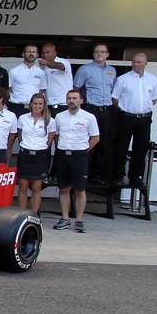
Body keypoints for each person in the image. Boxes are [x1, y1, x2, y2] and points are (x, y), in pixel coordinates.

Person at [50, 89, 99, 233]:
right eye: (69, 98)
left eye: (74, 98)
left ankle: (79, 219)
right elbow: (56, 135)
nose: (71, 100)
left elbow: (95, 138)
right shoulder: (59, 117)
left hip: (80, 156)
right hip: (63, 155)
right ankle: (65, 218)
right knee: (63, 188)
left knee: (80, 189)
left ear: (81, 100)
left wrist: (84, 151)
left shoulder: (89, 117)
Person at [110, 52, 157, 189]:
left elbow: (154, 99)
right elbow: (115, 99)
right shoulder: (123, 79)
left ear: (145, 63)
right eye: (134, 62)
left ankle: (135, 176)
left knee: (141, 147)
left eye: (139, 62)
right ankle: (118, 175)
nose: (136, 64)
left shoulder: (153, 79)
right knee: (121, 147)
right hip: (127, 117)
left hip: (144, 117)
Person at [73, 43, 117, 184]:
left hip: (107, 110)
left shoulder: (112, 71)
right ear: (93, 54)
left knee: (103, 143)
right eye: (97, 52)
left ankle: (97, 175)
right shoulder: (85, 69)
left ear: (107, 54)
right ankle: (83, 173)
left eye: (102, 52)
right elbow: (76, 88)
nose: (99, 54)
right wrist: (83, 102)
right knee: (87, 142)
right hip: (91, 109)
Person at [12, 94, 51, 213]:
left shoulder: (50, 121)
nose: (37, 106)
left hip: (40, 156)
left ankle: (34, 215)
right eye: (35, 103)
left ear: (44, 105)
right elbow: (20, 136)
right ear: (31, 104)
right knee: (23, 186)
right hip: (25, 155)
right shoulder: (23, 118)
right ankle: (21, 214)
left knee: (36, 187)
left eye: (40, 104)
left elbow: (49, 141)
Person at [8, 44, 46, 118]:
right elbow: (8, 89)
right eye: (28, 52)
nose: (31, 54)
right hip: (16, 107)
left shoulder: (41, 73)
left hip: (34, 108)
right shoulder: (13, 71)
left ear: (37, 55)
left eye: (33, 52)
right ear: (23, 54)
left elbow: (41, 91)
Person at [38, 43, 73, 116]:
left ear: (55, 53)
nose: (45, 55)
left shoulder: (64, 62)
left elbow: (58, 66)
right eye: (43, 53)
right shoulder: (42, 67)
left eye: (48, 52)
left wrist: (47, 63)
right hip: (48, 105)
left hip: (63, 104)